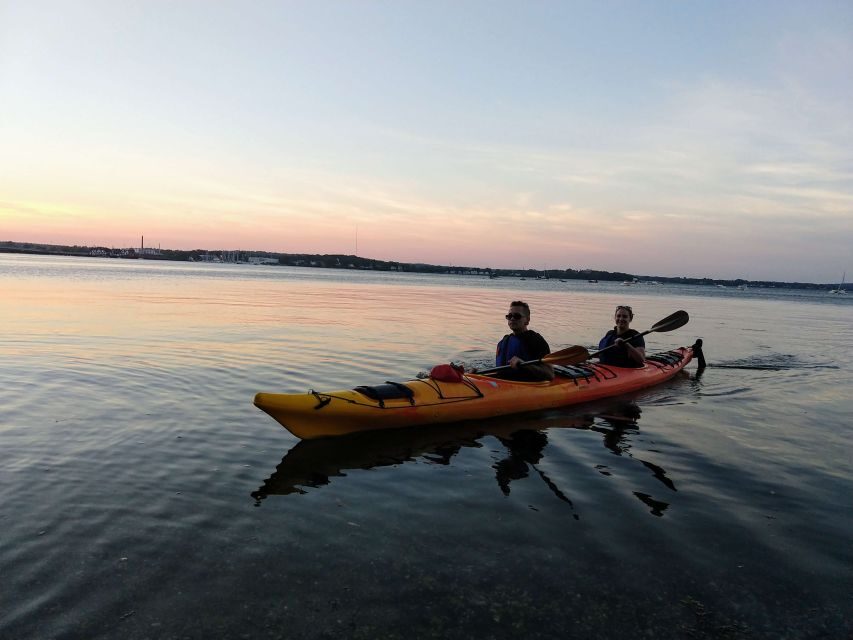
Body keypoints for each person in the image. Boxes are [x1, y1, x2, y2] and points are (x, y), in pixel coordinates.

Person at [494, 301, 554, 381]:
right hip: (503, 384)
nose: (512, 318)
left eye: (517, 316)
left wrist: (524, 364)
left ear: (527, 320)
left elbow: (550, 374)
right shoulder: (504, 341)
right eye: (509, 316)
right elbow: (498, 371)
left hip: (526, 386)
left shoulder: (536, 340)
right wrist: (477, 374)